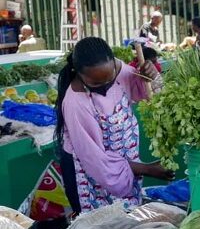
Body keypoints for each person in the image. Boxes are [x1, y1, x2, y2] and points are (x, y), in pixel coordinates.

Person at [54, 37, 174, 215]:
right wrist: (147, 169)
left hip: (126, 170)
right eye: (96, 83)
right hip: (92, 176)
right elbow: (96, 161)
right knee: (102, 227)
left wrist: (151, 75)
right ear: (79, 74)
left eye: (109, 78)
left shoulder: (118, 69)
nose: (105, 85)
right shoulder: (76, 103)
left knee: (128, 220)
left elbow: (151, 94)